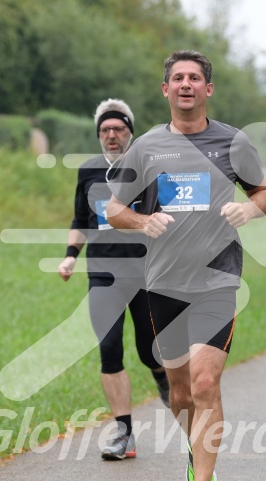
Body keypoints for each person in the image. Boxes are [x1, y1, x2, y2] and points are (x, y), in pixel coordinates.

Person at [107, 50, 266, 481]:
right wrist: (143, 219)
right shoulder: (147, 147)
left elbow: (263, 191)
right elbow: (116, 210)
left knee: (204, 383)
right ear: (165, 90)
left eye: (194, 78)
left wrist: (251, 209)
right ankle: (195, 448)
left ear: (208, 89)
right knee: (179, 390)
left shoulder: (232, 141)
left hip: (218, 278)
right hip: (164, 282)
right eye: (177, 78)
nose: (185, 84)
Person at [58, 98, 170, 462]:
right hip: (104, 275)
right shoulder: (89, 171)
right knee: (109, 349)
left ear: (130, 133)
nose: (111, 135)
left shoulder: (147, 167)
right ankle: (125, 433)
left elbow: (165, 215)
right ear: (98, 135)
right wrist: (70, 257)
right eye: (105, 130)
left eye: (118, 129)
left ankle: (163, 379)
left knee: (148, 349)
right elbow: (80, 220)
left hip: (144, 274)